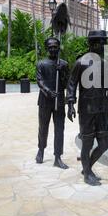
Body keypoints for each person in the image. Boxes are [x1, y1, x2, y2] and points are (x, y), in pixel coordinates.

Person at [67, 30, 108, 186]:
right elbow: (71, 84)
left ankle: (87, 168)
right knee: (87, 143)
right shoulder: (81, 62)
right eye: (100, 43)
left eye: (104, 43)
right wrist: (70, 104)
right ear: (92, 44)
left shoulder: (105, 63)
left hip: (102, 109)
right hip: (87, 109)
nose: (102, 46)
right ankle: (87, 173)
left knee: (104, 144)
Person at [35, 37, 70, 169]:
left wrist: (62, 72)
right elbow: (40, 81)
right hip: (45, 100)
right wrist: (49, 91)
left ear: (59, 47)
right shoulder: (41, 64)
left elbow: (67, 83)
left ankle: (58, 156)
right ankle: (41, 150)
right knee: (43, 127)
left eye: (55, 46)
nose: (53, 49)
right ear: (47, 48)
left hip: (59, 101)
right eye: (50, 47)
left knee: (59, 129)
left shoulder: (64, 64)